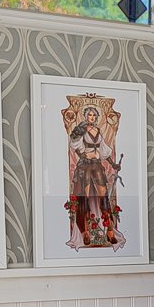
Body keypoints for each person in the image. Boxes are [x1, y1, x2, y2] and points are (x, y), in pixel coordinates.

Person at [66, 104, 123, 249]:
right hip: (84, 165)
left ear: (96, 117)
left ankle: (109, 229)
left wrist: (113, 164)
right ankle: (85, 231)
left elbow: (103, 150)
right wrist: (83, 155)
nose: (91, 117)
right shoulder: (81, 129)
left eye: (94, 115)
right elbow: (75, 146)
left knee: (103, 197)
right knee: (84, 199)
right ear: (86, 116)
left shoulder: (98, 130)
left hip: (97, 165)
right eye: (89, 115)